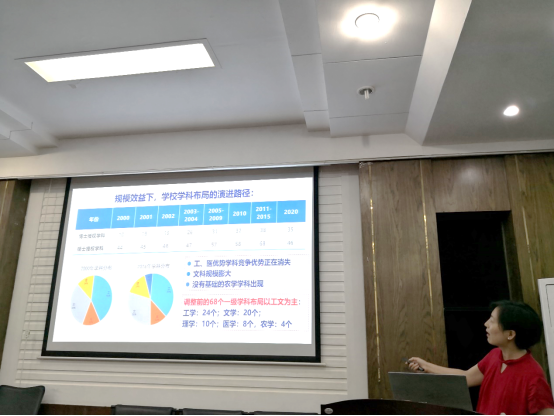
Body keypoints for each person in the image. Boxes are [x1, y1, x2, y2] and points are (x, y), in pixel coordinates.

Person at [408, 300, 554, 415]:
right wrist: (426, 366)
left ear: (510, 334)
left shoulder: (533, 376)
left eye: (492, 321)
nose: (486, 324)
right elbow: (466, 377)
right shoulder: (494, 355)